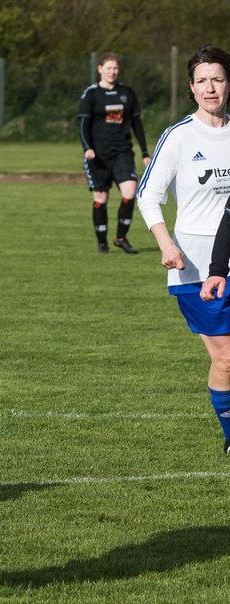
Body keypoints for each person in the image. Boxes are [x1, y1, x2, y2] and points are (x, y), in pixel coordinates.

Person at [139, 45, 230, 454]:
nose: (210, 88)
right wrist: (165, 243)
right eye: (202, 81)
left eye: (218, 79)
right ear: (191, 89)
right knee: (227, 358)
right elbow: (148, 196)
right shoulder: (178, 137)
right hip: (194, 267)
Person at [78, 52, 150, 254]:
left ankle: (121, 237)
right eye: (108, 68)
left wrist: (145, 152)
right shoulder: (91, 94)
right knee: (101, 199)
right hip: (98, 156)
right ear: (100, 69)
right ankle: (102, 242)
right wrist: (87, 148)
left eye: (115, 68)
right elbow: (83, 124)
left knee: (130, 192)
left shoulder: (127, 92)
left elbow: (137, 123)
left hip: (122, 152)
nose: (112, 71)